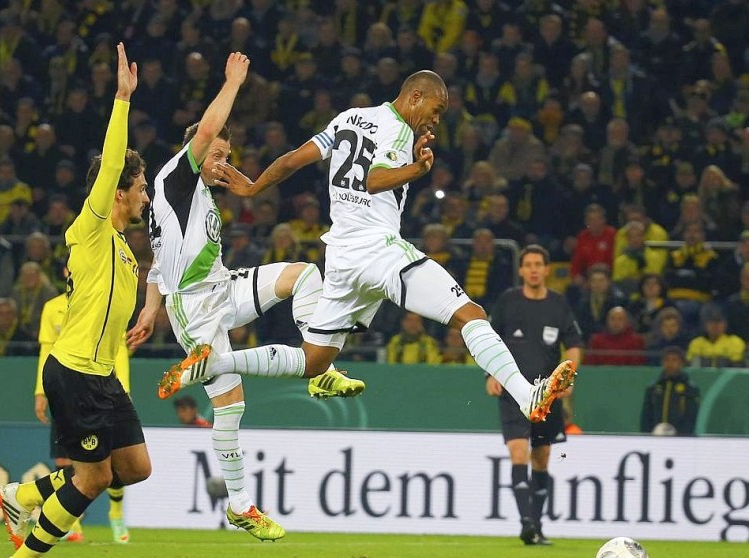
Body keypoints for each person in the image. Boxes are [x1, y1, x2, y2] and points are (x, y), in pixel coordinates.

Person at [168, 70, 576, 430]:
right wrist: (417, 170)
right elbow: (373, 179)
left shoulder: (349, 119)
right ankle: (526, 394)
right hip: (376, 249)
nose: (435, 120)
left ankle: (215, 362)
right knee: (470, 314)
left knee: (314, 362)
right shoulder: (398, 129)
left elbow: (295, 159)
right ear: (414, 96)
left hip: (341, 257)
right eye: (435, 109)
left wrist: (254, 187)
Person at [126, 53, 364, 543]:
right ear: (197, 149)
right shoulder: (177, 175)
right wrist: (232, 80)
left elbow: (157, 259)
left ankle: (314, 367)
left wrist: (148, 308)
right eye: (218, 155)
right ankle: (238, 505)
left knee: (303, 274)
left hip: (221, 287)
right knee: (231, 405)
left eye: (227, 157)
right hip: (193, 307)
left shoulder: (187, 198)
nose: (224, 164)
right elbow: (209, 126)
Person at [0, 43, 150, 558]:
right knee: (90, 478)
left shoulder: (127, 252)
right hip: (76, 370)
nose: (146, 197)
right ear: (119, 194)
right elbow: (111, 163)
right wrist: (122, 100)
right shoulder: (89, 230)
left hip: (103, 376)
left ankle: (20, 495)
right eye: (141, 189)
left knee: (135, 468)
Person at [486, 244, 583, 546]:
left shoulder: (558, 304)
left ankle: (538, 525)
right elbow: (487, 337)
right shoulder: (508, 301)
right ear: (521, 270)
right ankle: (526, 521)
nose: (533, 269)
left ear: (546, 269)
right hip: (513, 391)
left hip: (547, 396)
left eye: (538, 264)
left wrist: (567, 377)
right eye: (528, 264)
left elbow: (574, 343)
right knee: (518, 453)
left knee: (541, 460)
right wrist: (489, 373)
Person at [34, 275, 133, 544]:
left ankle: (116, 513)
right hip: (63, 387)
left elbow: (119, 347)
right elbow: (46, 349)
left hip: (100, 385)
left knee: (113, 460)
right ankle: (73, 524)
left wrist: (123, 388)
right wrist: (40, 391)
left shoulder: (100, 301)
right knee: (65, 459)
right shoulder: (52, 307)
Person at [640, 346, 700, 436]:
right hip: (655, 438)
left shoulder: (690, 389)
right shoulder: (652, 388)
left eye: (674, 360)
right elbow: (646, 416)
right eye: (667, 360)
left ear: (681, 363)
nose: (670, 364)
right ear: (662, 362)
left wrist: (683, 436)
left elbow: (691, 417)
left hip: (682, 439)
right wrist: (647, 435)